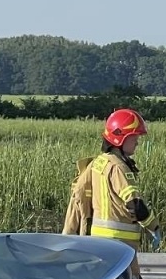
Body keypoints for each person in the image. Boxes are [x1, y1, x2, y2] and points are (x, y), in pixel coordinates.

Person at [62, 107, 158, 252]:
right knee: (130, 269)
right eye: (134, 138)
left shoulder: (98, 163)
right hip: (120, 243)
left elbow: (78, 194)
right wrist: (153, 227)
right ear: (120, 138)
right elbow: (135, 204)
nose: (137, 142)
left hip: (99, 241)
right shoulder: (118, 167)